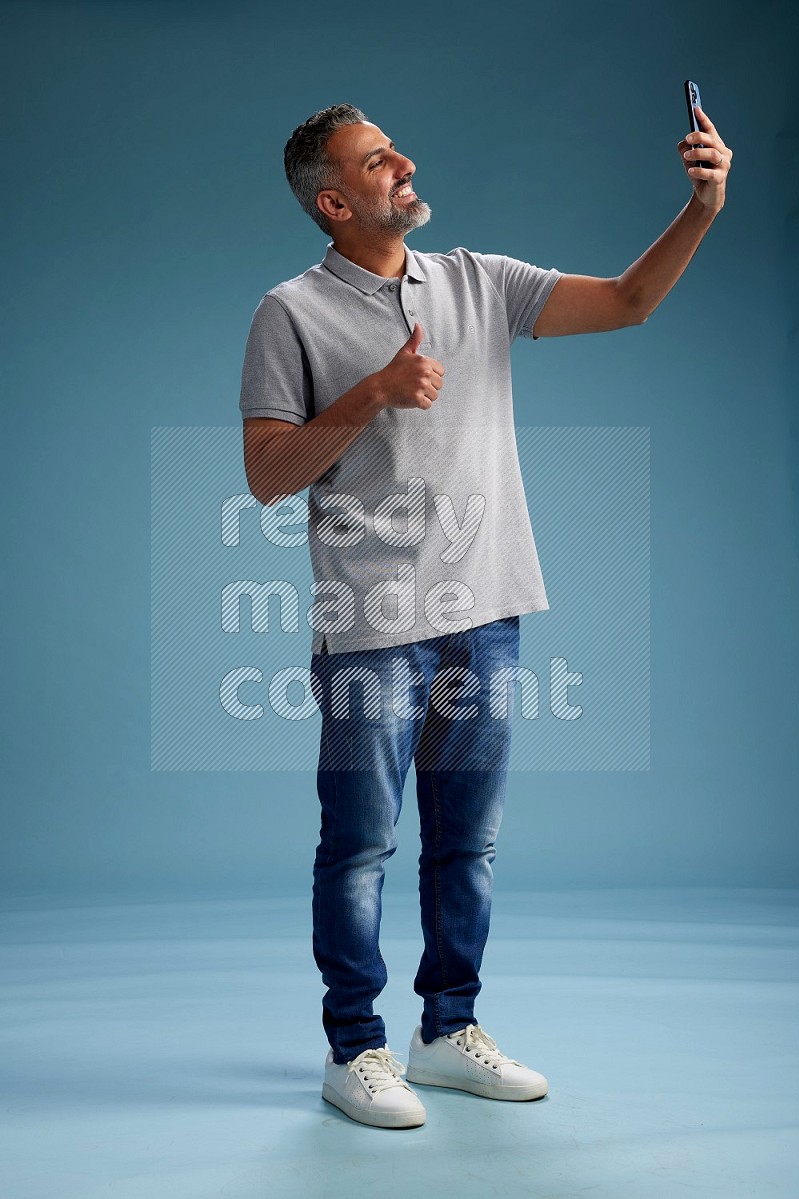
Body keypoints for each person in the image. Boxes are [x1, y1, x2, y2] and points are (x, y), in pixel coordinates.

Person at [239, 103, 732, 1129]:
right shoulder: (287, 312)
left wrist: (701, 204)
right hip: (371, 623)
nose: (405, 162)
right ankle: (355, 1048)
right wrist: (372, 390)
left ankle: (444, 1029)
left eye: (396, 147)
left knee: (467, 844)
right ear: (334, 202)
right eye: (378, 160)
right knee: (361, 844)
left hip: (488, 611)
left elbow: (631, 301)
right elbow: (266, 474)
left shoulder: (475, 280)